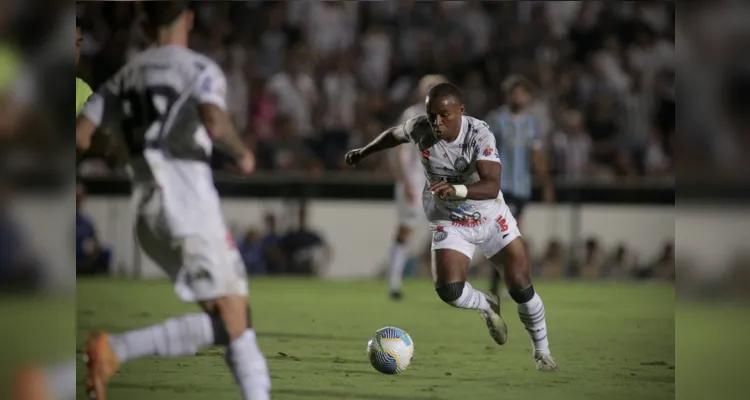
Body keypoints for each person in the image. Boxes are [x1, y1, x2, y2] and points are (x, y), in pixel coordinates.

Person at [75, 2, 270, 399]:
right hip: (188, 208)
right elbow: (214, 121)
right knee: (232, 321)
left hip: (146, 211)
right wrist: (242, 153)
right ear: (190, 20)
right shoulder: (199, 69)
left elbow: (80, 135)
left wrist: (117, 150)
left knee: (233, 317)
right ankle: (115, 350)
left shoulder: (122, 77)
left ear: (144, 25)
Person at [345, 82, 558, 372]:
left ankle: (542, 354)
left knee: (522, 289)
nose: (437, 122)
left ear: (461, 111)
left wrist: (457, 189)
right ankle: (486, 303)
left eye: (444, 115)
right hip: (450, 219)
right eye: (432, 115)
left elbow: (491, 183)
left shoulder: (479, 134)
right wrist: (364, 152)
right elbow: (393, 136)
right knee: (449, 290)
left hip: (491, 216)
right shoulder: (421, 127)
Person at [485, 75, 554, 300]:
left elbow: (536, 155)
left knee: (509, 237)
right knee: (509, 236)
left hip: (522, 187)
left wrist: (545, 183)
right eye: (514, 92)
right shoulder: (496, 119)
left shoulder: (532, 123)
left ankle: (500, 285)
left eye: (522, 93)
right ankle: (510, 284)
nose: (518, 97)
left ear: (528, 97)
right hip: (500, 186)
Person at [387, 74, 447, 300]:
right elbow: (399, 148)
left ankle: (448, 282)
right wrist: (405, 181)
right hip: (414, 181)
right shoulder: (412, 114)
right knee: (406, 229)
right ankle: (394, 283)